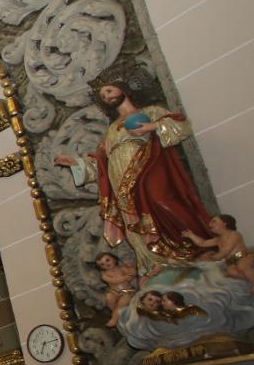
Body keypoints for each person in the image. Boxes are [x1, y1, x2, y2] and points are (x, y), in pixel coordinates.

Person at [52, 67, 215, 275]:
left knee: (161, 200)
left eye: (109, 91)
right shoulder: (112, 128)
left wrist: (150, 127)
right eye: (103, 96)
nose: (106, 97)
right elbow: (101, 160)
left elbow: (179, 125)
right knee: (133, 217)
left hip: (149, 166)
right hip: (120, 178)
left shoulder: (150, 112)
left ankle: (196, 248)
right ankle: (154, 262)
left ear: (123, 89)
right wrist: (75, 163)